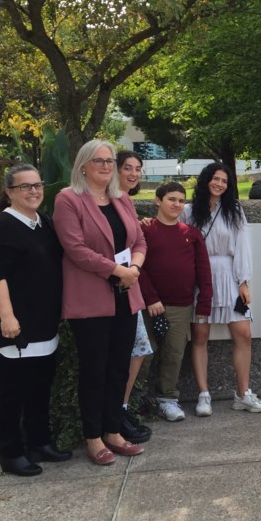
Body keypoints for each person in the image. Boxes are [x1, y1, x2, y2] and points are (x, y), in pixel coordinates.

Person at [53, 140, 147, 465]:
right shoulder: (69, 200)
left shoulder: (121, 199)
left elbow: (139, 239)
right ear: (83, 165)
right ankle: (93, 437)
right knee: (94, 370)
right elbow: (75, 249)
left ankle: (112, 430)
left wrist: (133, 267)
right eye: (98, 161)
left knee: (119, 367)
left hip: (126, 295)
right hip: (91, 299)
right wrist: (117, 270)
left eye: (109, 161)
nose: (106, 167)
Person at [0, 165, 71, 476]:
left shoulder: (42, 222)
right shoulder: (3, 228)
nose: (33, 191)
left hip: (44, 325)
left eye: (37, 185)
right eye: (25, 187)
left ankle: (39, 443)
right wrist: (7, 316)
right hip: (16, 328)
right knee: (11, 393)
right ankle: (11, 452)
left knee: (39, 389)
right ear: (9, 192)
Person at [184, 162, 261, 416]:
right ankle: (204, 394)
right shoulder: (188, 211)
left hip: (229, 275)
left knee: (243, 334)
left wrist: (243, 281)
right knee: (199, 337)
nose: (219, 184)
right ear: (206, 180)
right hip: (200, 276)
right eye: (215, 179)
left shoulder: (234, 211)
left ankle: (243, 393)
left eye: (224, 181)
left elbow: (242, 246)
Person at [140, 182, 213, 421]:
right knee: (143, 354)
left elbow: (203, 270)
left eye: (181, 201)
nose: (177, 204)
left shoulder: (191, 234)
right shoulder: (146, 230)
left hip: (181, 306)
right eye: (171, 199)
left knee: (174, 354)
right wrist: (151, 298)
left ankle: (167, 399)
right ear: (158, 201)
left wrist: (204, 303)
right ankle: (136, 400)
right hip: (148, 305)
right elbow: (138, 268)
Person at [116, 150, 153, 444]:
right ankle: (115, 413)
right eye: (127, 168)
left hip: (130, 283)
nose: (133, 173)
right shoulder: (98, 200)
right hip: (109, 285)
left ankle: (121, 407)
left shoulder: (126, 201)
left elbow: (136, 241)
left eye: (138, 169)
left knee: (138, 349)